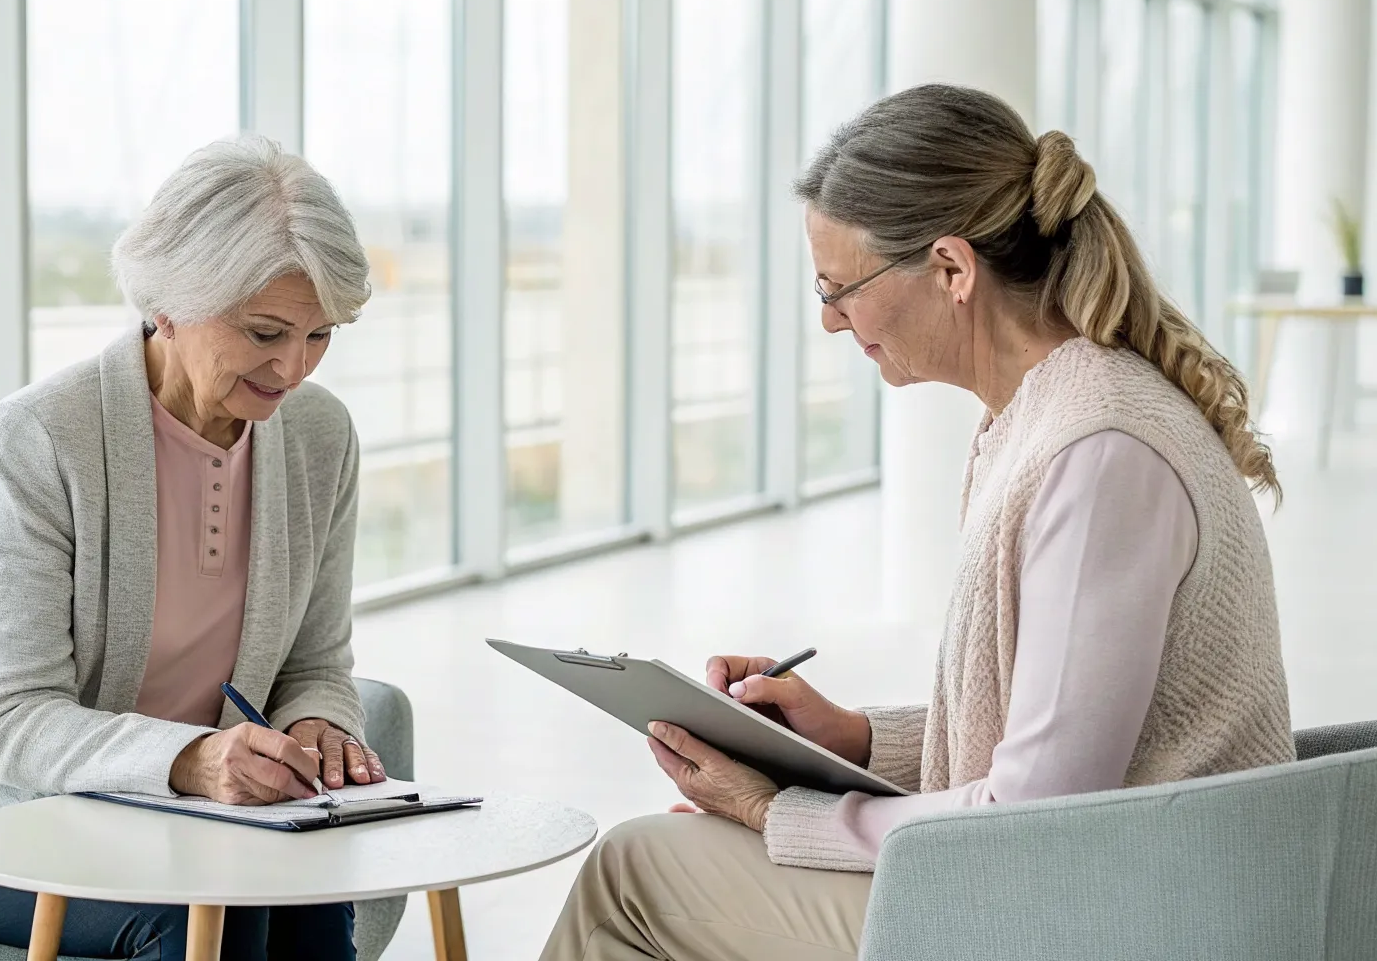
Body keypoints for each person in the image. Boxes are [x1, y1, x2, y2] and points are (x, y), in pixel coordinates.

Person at [539, 83, 1294, 961]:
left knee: (635, 869)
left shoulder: (1099, 452)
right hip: (1098, 878)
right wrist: (851, 738)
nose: (829, 321)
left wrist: (779, 810)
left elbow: (1037, 816)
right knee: (666, 856)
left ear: (951, 269)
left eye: (839, 287)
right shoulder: (1051, 418)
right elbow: (1051, 743)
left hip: (1116, 915)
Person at [0, 135, 385, 961]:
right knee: (210, 918)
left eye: (320, 335)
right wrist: (193, 761)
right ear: (168, 302)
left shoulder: (319, 436)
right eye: (265, 332)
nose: (293, 369)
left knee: (308, 907)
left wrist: (320, 724)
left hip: (203, 827)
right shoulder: (42, 438)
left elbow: (315, 662)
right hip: (12, 824)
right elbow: (11, 722)